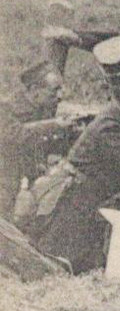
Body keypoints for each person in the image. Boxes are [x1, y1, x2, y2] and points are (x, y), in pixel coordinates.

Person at [23, 103, 120, 273]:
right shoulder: (109, 126)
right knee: (62, 256)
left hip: (82, 193)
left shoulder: (109, 118)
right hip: (78, 195)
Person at [0, 53, 74, 222]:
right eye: (54, 90)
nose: (60, 95)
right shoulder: (5, 109)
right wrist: (54, 126)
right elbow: (18, 135)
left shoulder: (42, 109)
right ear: (34, 91)